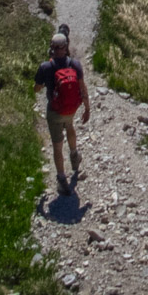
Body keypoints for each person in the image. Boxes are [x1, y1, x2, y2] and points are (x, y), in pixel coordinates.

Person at [34, 31, 90, 195]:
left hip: (55, 111)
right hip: (71, 109)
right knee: (70, 125)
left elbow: (36, 88)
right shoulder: (75, 65)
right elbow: (82, 88)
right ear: (66, 47)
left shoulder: (46, 67)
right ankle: (74, 154)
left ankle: (61, 179)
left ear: (52, 47)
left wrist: (44, 84)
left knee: (57, 147)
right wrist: (87, 108)